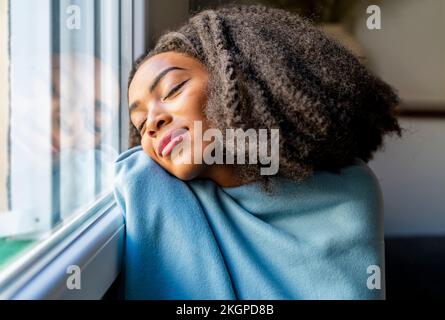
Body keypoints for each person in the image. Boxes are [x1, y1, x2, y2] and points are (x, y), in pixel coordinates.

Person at [114, 4, 401, 299]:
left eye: (173, 89)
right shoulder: (149, 185)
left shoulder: (349, 189)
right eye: (140, 122)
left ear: (237, 79)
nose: (152, 123)